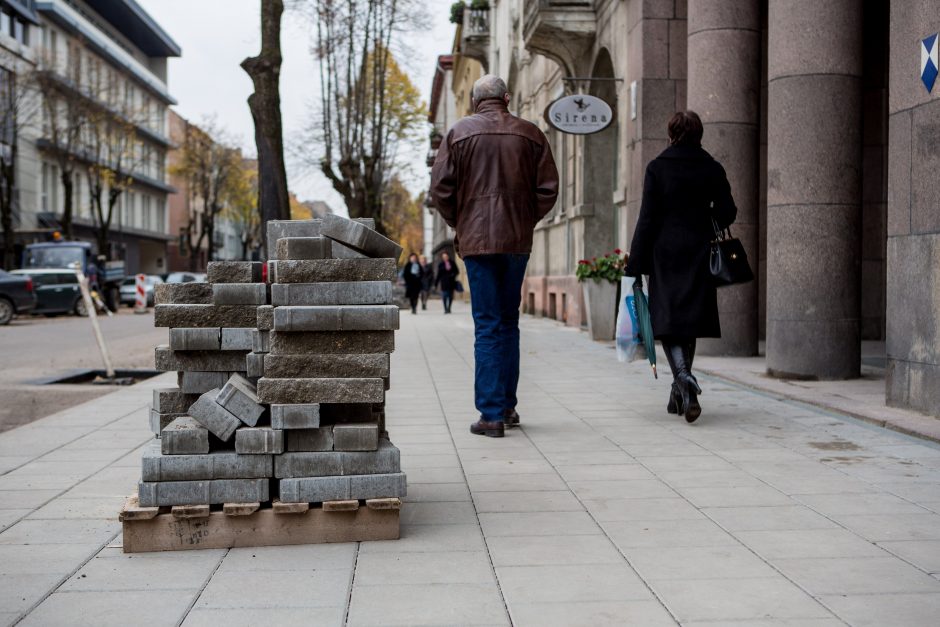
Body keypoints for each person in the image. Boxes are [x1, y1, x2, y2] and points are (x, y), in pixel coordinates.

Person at [430, 74, 559, 438]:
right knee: (508, 322)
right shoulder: (531, 134)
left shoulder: (458, 133)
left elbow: (440, 189)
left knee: (487, 324)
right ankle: (507, 406)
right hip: (516, 241)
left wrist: (463, 221)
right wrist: (522, 218)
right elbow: (548, 189)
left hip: (478, 244)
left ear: (475, 101)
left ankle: (490, 415)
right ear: (506, 97)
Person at [624, 111, 737, 423]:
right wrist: (707, 220)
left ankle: (684, 379)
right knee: (688, 319)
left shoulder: (658, 168)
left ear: (670, 133)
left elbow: (646, 218)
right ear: (699, 134)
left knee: (668, 319)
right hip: (700, 251)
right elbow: (729, 211)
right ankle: (681, 388)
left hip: (665, 254)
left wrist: (635, 263)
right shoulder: (711, 168)